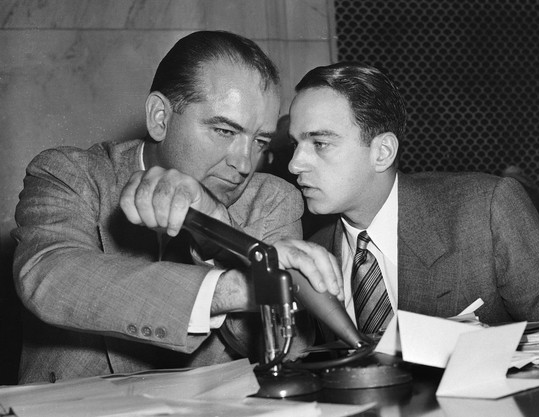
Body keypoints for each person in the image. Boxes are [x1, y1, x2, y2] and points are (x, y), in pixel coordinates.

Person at [11, 31, 342, 384]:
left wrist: (218, 237)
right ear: (159, 117)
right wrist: (238, 288)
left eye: (259, 141)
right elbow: (51, 278)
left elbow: (287, 352)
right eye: (225, 131)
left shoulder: (273, 199)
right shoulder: (72, 174)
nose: (245, 163)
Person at [287, 62, 539, 337]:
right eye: (295, 144)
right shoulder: (313, 253)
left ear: (382, 152)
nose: (295, 164)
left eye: (320, 143)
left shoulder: (485, 210)